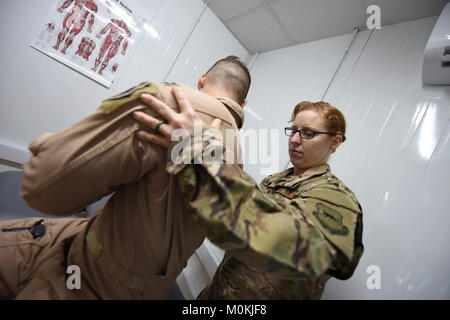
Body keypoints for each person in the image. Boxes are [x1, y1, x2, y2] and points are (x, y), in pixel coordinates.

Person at [0, 56, 250, 299]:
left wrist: (48, 145)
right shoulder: (239, 158)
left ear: (202, 79)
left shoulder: (169, 103)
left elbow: (43, 186)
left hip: (87, 277)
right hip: (138, 281)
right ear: (244, 104)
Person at [133, 89, 364, 299]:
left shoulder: (337, 199)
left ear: (335, 142)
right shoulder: (274, 181)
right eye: (293, 131)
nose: (294, 140)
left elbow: (292, 243)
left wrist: (202, 151)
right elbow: (235, 222)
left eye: (308, 133)